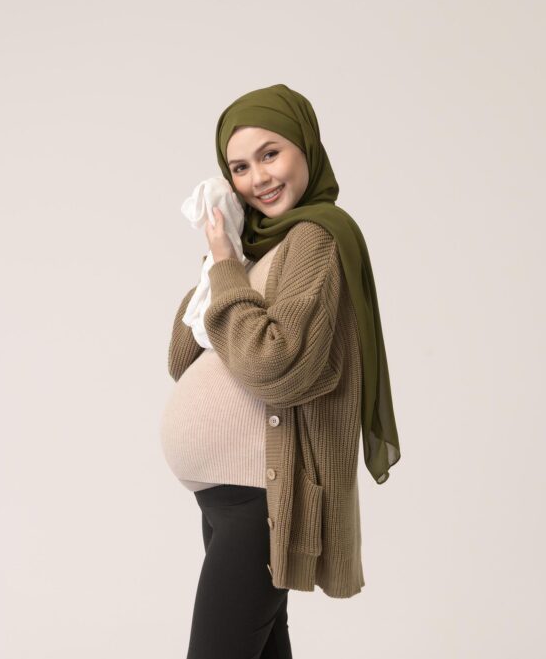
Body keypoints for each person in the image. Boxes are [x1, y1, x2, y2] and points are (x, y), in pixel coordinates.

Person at [160, 84, 402, 659]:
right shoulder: (255, 249)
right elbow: (180, 357)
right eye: (238, 167)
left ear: (305, 149)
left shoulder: (316, 239)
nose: (258, 178)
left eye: (271, 154)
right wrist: (225, 252)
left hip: (262, 500)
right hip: (226, 501)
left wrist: (226, 267)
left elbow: (276, 365)